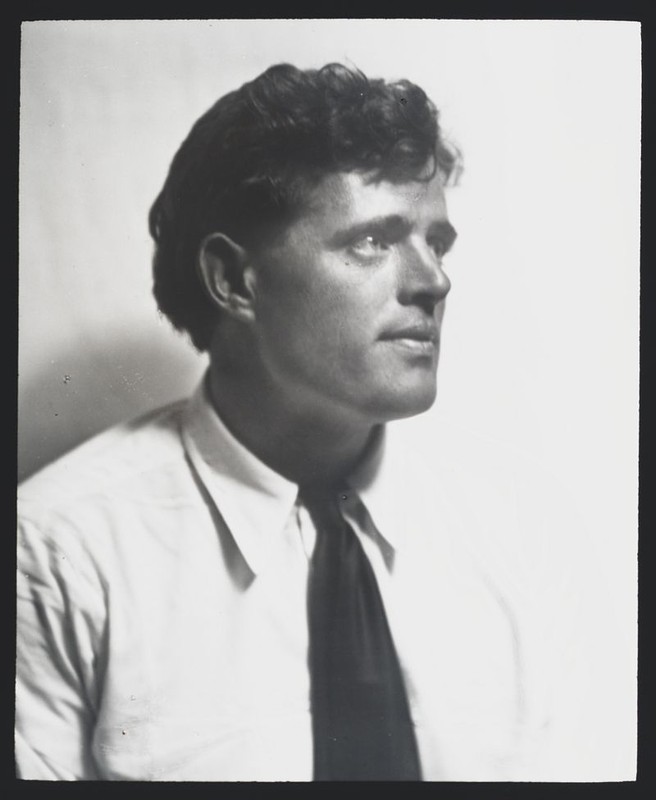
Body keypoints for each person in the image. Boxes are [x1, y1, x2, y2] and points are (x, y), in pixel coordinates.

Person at [16, 62, 632, 782]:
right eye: (373, 240)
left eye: (437, 241)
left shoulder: (525, 530)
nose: (433, 279)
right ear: (235, 280)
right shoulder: (58, 553)